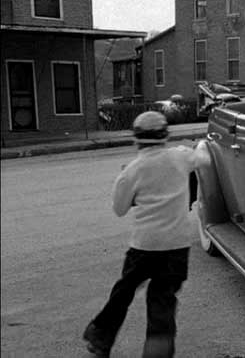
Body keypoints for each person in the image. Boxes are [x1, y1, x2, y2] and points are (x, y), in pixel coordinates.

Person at [82, 111, 210, 357]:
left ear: (136, 139)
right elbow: (204, 159)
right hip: (176, 248)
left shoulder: (131, 171)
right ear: (165, 136)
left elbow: (119, 209)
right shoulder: (181, 157)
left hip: (143, 247)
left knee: (123, 292)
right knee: (162, 303)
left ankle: (100, 337)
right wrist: (202, 144)